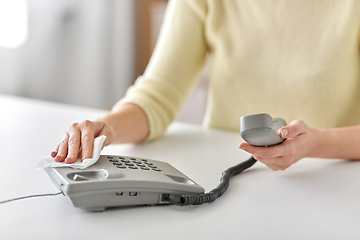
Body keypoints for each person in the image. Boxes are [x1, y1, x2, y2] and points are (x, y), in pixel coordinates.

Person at [51, 0, 360, 171]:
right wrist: (109, 128)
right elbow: (157, 95)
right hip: (226, 175)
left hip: (336, 176)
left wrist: (316, 143)